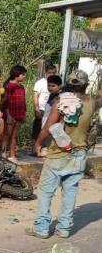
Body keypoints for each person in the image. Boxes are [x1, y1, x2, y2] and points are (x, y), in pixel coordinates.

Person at [27, 70, 99, 238]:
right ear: (86, 85)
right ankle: (64, 228)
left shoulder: (61, 101)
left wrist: (37, 143)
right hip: (79, 153)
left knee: (46, 192)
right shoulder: (92, 103)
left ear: (69, 84)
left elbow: (48, 127)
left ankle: (42, 228)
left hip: (58, 153)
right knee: (70, 191)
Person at [1, 65, 27, 161]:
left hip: (19, 114)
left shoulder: (21, 87)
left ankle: (12, 154)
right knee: (7, 134)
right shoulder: (9, 86)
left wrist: (24, 114)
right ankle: (3, 153)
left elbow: (24, 102)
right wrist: (8, 115)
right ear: (17, 75)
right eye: (23, 74)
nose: (24, 76)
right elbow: (6, 102)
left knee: (14, 136)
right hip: (10, 115)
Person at [38, 74, 62, 156]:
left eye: (53, 86)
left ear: (59, 86)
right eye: (49, 85)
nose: (50, 88)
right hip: (46, 123)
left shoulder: (60, 97)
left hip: (53, 126)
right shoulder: (51, 95)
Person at [33, 65, 57, 143]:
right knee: (38, 129)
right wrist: (37, 108)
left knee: (49, 129)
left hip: (51, 110)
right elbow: (36, 96)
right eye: (49, 73)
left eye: (53, 73)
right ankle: (35, 148)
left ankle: (45, 147)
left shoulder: (57, 83)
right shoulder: (40, 83)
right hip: (42, 109)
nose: (51, 75)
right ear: (46, 73)